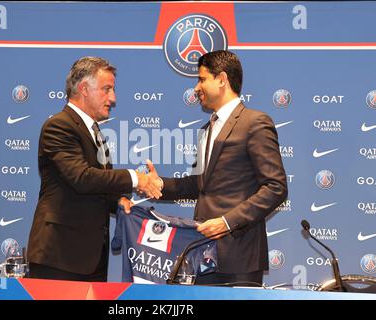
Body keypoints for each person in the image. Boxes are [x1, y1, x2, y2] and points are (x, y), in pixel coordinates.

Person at [123, 50, 288, 286]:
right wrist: (159, 184)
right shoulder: (206, 130)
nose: (196, 88)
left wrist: (228, 222)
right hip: (201, 253)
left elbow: (276, 187)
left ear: (222, 79)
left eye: (201, 79)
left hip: (238, 255)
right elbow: (200, 184)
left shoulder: (255, 123)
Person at [27, 57, 162, 282]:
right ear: (83, 89)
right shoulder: (59, 126)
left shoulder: (95, 131)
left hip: (92, 259)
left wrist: (118, 201)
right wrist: (135, 178)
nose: (113, 98)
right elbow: (82, 178)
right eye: (106, 89)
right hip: (59, 256)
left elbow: (96, 189)